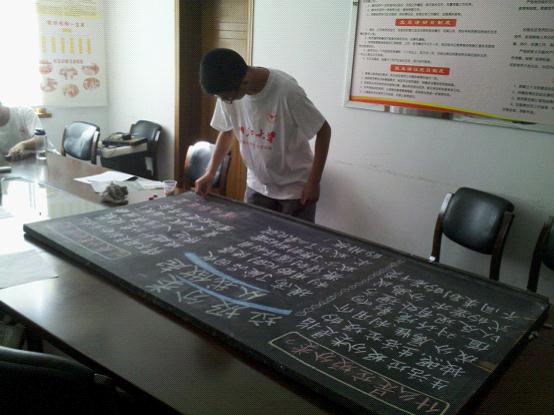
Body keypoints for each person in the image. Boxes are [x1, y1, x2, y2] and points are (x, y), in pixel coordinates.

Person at [196, 48, 331, 223]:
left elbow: (323, 130)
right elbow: (227, 131)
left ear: (243, 82)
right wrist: (210, 173)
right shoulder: (227, 89)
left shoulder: (286, 91)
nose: (225, 101)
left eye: (227, 97)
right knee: (250, 236)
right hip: (257, 186)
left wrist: (314, 182)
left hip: (295, 190)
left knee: (294, 239)